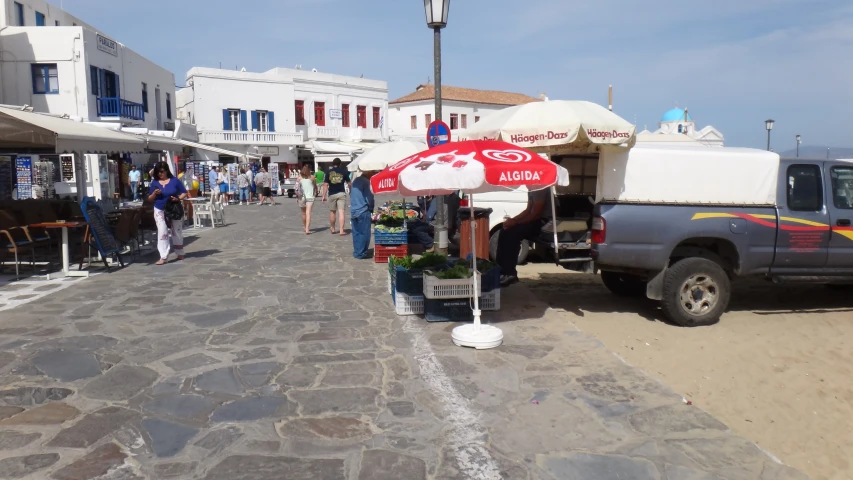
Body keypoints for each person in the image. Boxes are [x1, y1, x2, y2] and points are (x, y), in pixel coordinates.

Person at [495, 188, 552, 286]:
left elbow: (536, 214)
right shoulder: (531, 189)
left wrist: (516, 222)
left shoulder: (540, 188)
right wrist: (512, 221)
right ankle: (501, 271)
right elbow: (528, 210)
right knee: (504, 231)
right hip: (535, 219)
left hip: (544, 221)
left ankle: (510, 274)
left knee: (513, 234)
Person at [147, 162, 188, 265]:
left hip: (173, 208)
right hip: (159, 209)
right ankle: (163, 256)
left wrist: (178, 198)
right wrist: (154, 194)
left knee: (176, 231)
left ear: (166, 171)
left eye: (162, 172)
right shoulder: (155, 182)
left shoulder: (175, 181)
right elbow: (149, 199)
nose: (160, 174)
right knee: (162, 232)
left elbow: (184, 192)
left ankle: (179, 251)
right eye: (158, 172)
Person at [350, 171, 375, 258]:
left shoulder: (356, 180)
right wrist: (371, 208)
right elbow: (369, 198)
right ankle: (361, 252)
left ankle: (357, 251)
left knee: (356, 232)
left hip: (354, 210)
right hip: (363, 210)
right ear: (369, 173)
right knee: (364, 233)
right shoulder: (366, 182)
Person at [322, 158, 351, 235]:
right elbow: (349, 183)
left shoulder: (328, 172)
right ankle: (341, 230)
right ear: (340, 164)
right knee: (341, 212)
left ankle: (333, 228)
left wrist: (323, 195)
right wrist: (350, 191)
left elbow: (325, 184)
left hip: (332, 193)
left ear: (332, 163)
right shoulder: (344, 172)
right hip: (341, 193)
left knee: (332, 212)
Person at [297, 165, 317, 234]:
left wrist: (297, 197)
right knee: (308, 213)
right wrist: (315, 192)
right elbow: (315, 186)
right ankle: (307, 229)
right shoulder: (312, 177)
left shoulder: (299, 178)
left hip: (301, 197)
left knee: (303, 213)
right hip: (310, 197)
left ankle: (305, 227)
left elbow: (298, 188)